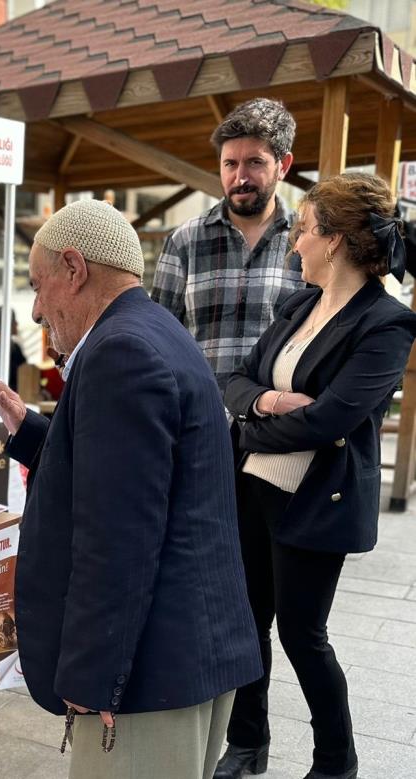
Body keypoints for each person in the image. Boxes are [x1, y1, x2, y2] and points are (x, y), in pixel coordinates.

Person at [0, 199, 261, 778]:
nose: (35, 310)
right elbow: (131, 475)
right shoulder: (154, 331)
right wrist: (30, 429)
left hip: (148, 673)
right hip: (185, 653)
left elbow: (118, 540)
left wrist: (93, 676)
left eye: (38, 285)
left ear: (75, 269)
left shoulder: (119, 353)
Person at [217, 173, 416, 779]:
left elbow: (332, 419)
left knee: (304, 638)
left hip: (315, 502)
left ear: (333, 241)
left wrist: (251, 418)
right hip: (251, 488)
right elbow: (237, 381)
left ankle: (336, 763)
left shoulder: (386, 324)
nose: (295, 242)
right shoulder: (298, 304)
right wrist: (271, 405)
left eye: (303, 231)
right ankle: (247, 744)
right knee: (245, 627)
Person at [152, 98, 304, 392]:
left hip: (279, 426)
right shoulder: (184, 241)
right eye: (230, 164)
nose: (240, 177)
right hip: (201, 422)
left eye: (255, 162)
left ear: (283, 165)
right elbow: (157, 340)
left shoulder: (307, 239)